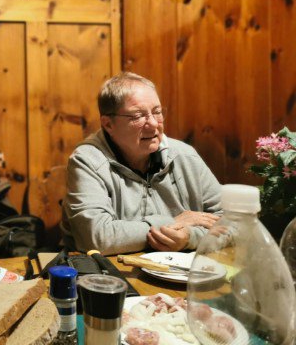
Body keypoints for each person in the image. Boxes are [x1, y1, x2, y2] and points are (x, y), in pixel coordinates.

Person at [61, 72, 221, 255]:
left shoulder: (184, 156)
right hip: (111, 270)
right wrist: (172, 223)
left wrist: (189, 237)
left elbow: (233, 222)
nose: (153, 124)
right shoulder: (88, 161)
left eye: (157, 112)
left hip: (181, 268)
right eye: (137, 116)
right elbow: (97, 237)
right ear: (108, 124)